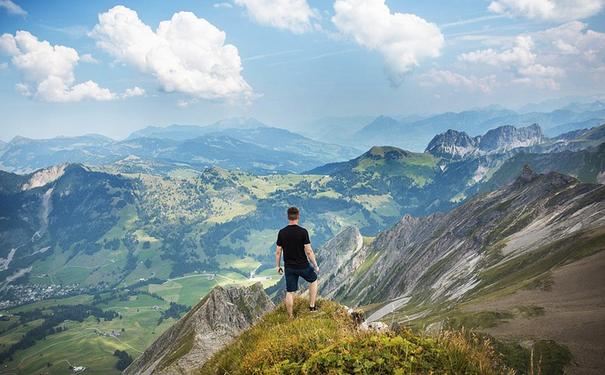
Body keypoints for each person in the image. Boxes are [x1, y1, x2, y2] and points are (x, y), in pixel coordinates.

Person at [275, 206, 320, 319]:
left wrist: (278, 266)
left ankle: (290, 316)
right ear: (298, 216)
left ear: (288, 217)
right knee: (313, 280)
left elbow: (278, 251)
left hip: (289, 267)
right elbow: (309, 251)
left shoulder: (282, 232)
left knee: (290, 292)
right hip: (303, 265)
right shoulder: (303, 232)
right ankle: (312, 307)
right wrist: (315, 265)